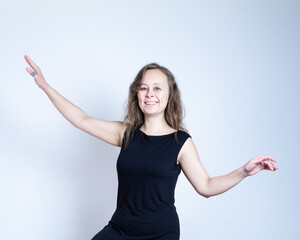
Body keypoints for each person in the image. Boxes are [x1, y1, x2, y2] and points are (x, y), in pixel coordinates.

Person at [24, 55, 278, 240]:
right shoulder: (126, 133)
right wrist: (45, 86)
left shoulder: (181, 142)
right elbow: (82, 120)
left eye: (157, 88)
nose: (149, 94)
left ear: (169, 96)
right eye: (143, 88)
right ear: (137, 94)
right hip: (120, 229)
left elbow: (206, 187)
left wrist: (243, 171)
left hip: (160, 233)